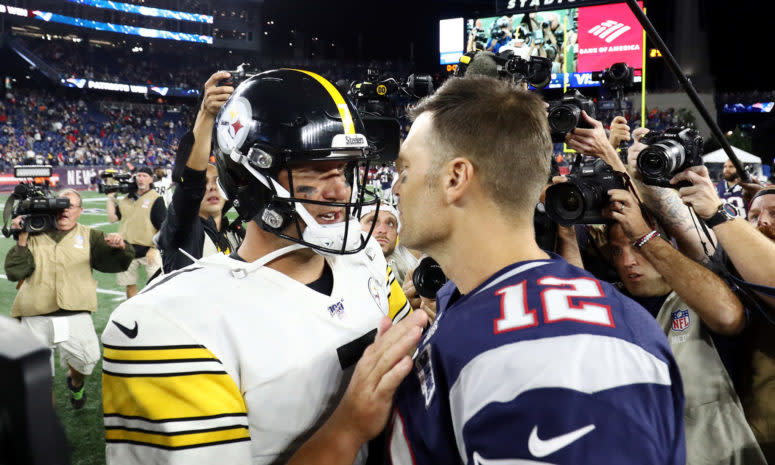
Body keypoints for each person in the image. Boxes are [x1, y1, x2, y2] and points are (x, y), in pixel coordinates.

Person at [290, 76, 686, 464]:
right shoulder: (466, 296)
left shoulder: (559, 350)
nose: (395, 188)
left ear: (455, 178)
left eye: (405, 171)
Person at [101, 69, 411, 465]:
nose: (341, 190)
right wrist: (348, 428)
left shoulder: (366, 261)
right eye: (316, 170)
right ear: (252, 179)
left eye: (346, 169)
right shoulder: (173, 324)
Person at [604, 189, 765, 464]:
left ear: (667, 243)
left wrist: (645, 237)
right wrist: (566, 236)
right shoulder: (608, 299)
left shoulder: (697, 295)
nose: (627, 261)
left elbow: (728, 316)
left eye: (636, 246)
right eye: (618, 250)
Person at [4, 188, 134, 409]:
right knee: (41, 377)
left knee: (86, 361)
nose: (64, 210)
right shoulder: (34, 231)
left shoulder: (91, 235)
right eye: (60, 205)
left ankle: (75, 381)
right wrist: (22, 237)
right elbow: (14, 273)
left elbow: (114, 263)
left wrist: (121, 247)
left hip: (74, 312)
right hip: (35, 313)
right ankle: (47, 430)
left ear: (80, 211)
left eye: (70, 205)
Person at [156, 72, 244, 273]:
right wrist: (206, 114)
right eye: (204, 182)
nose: (211, 186)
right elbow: (189, 184)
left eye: (216, 180)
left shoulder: (237, 233)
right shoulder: (181, 232)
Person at [106, 166, 167, 298]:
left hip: (149, 250)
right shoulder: (126, 199)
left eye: (144, 176)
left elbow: (163, 227)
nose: (141, 178)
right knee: (130, 286)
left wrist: (154, 248)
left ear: (151, 179)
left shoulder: (156, 198)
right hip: (126, 248)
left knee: (157, 285)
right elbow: (112, 218)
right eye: (138, 175)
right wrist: (111, 198)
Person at [358, 202, 418, 287]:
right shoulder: (341, 268)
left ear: (397, 234)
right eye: (372, 221)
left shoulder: (407, 267)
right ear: (356, 228)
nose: (382, 230)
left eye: (390, 224)